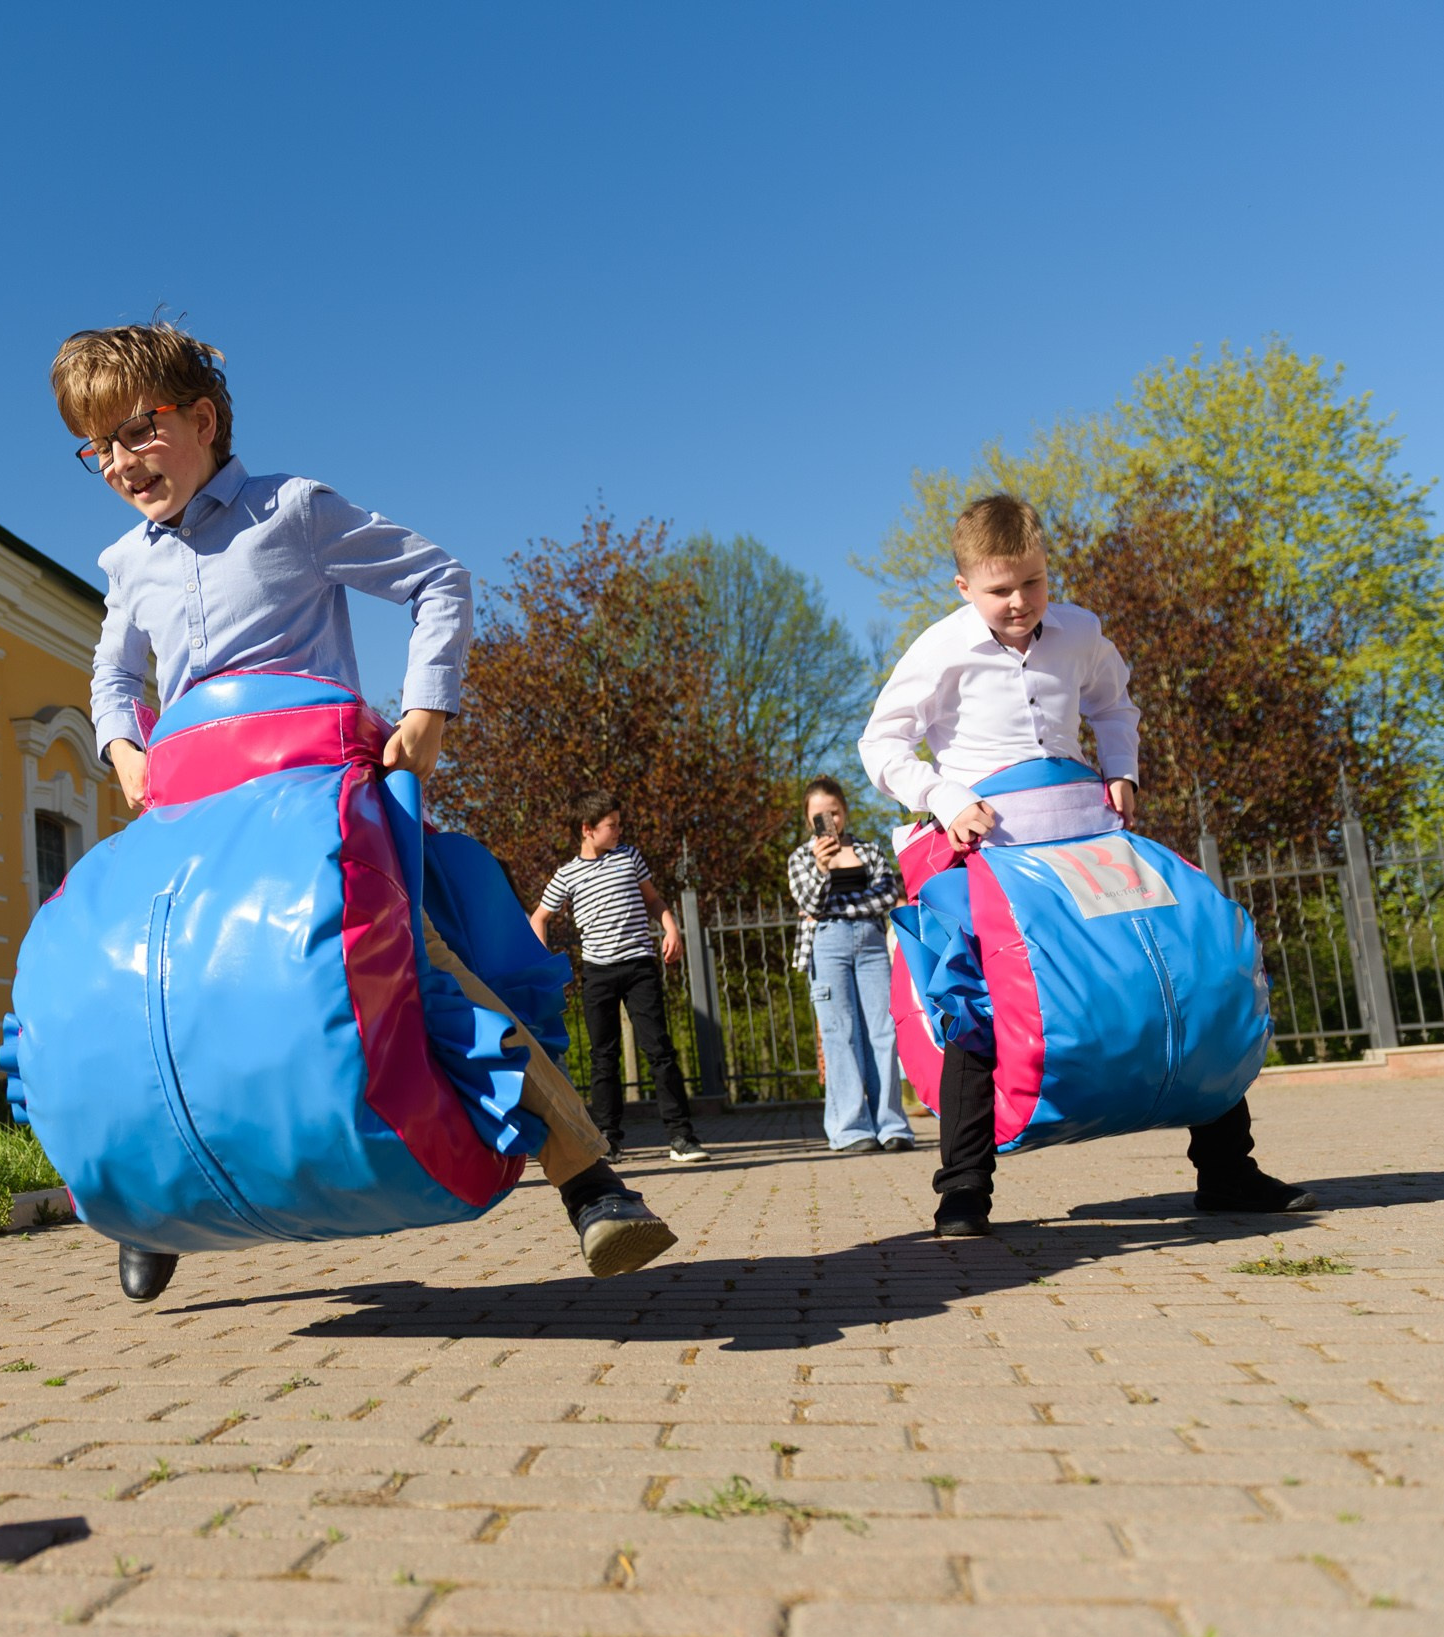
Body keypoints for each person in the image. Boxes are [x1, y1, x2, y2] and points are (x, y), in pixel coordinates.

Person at [61, 321, 675, 1299]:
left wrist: (427, 708)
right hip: (193, 810)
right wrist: (123, 745)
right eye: (95, 447)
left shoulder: (291, 511)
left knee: (430, 961)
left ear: (204, 418)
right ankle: (149, 1205)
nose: (119, 463)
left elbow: (436, 577)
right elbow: (112, 673)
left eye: (138, 432)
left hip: (314, 801)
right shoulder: (126, 562)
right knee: (141, 986)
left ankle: (588, 1182)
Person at [858, 493, 1315, 1237]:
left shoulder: (1078, 631)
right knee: (976, 1000)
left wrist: (1123, 768)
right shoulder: (938, 649)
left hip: (1088, 832)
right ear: (964, 587)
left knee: (1190, 964)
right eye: (1000, 589)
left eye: (1032, 584)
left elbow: (1113, 704)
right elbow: (881, 745)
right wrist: (943, 797)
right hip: (992, 846)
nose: (1018, 602)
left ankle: (1228, 1170)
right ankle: (964, 1193)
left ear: (1048, 572)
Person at [529, 794, 710, 1165]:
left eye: (618, 824)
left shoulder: (629, 857)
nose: (618, 830)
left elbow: (654, 900)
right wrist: (539, 962)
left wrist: (671, 928)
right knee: (603, 1057)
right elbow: (539, 918)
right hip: (598, 973)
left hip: (639, 966)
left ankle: (681, 1137)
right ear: (587, 829)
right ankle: (608, 1139)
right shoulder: (567, 875)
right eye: (611, 825)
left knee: (659, 1049)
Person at [785, 776, 915, 1155]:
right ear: (809, 819)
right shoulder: (801, 858)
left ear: (845, 811)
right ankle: (849, 1129)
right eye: (820, 815)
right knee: (840, 1035)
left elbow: (888, 894)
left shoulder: (870, 851)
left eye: (835, 812)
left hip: (872, 944)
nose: (830, 820)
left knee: (883, 1032)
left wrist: (835, 904)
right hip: (827, 946)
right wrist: (824, 872)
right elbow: (809, 902)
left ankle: (892, 1125)